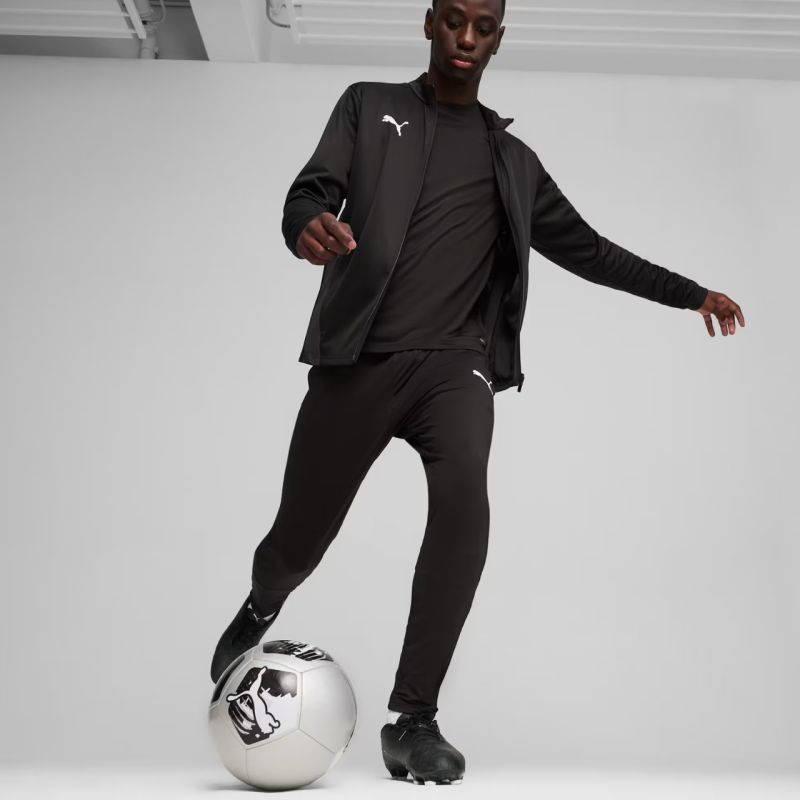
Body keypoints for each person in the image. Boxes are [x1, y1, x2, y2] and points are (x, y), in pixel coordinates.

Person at [210, 0, 745, 785]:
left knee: (465, 501)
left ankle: (412, 719)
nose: (467, 37)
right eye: (455, 20)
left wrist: (690, 293)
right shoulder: (369, 106)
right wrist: (307, 226)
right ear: (429, 23)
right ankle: (263, 603)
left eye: (483, 26)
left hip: (454, 369)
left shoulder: (513, 162)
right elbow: (309, 194)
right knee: (298, 540)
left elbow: (590, 250)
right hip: (359, 360)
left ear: (499, 36)